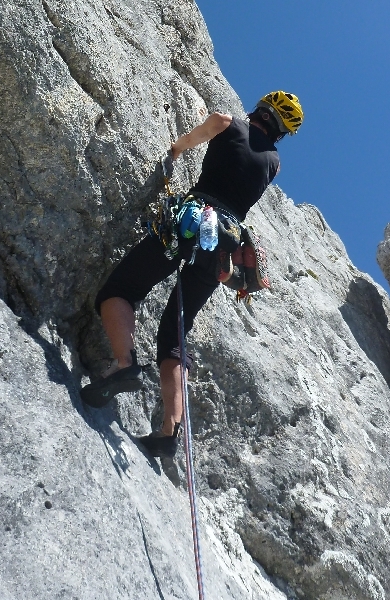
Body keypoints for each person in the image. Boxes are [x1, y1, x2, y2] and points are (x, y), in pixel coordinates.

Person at [81, 91, 303, 457]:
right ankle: (169, 430)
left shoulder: (226, 124)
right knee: (175, 334)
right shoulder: (274, 164)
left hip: (190, 223)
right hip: (223, 246)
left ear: (260, 108)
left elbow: (184, 143)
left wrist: (173, 154)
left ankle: (124, 365)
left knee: (121, 290)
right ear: (282, 131)